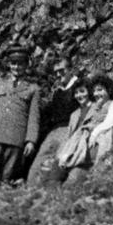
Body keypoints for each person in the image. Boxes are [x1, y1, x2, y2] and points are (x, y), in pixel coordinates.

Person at [0, 52, 41, 191]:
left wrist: (30, 140)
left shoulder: (33, 88)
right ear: (9, 65)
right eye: (13, 63)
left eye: (20, 63)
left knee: (7, 178)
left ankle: (1, 208)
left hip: (16, 138)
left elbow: (33, 117)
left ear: (26, 65)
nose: (16, 67)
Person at [28, 55, 83, 185]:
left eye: (62, 70)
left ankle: (52, 193)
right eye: (56, 72)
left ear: (71, 70)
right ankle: (31, 190)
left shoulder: (80, 86)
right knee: (39, 162)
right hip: (53, 131)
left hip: (70, 129)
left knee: (58, 164)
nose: (59, 74)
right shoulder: (58, 91)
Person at [61, 75, 113, 184]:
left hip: (102, 139)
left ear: (108, 90)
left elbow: (110, 122)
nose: (96, 93)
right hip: (88, 141)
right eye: (95, 91)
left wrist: (94, 133)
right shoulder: (98, 107)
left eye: (100, 90)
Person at [34, 78, 91, 188]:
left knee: (70, 183)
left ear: (89, 92)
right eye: (77, 93)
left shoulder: (96, 108)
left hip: (85, 152)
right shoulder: (74, 114)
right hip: (71, 150)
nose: (79, 96)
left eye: (82, 91)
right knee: (48, 176)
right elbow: (70, 136)